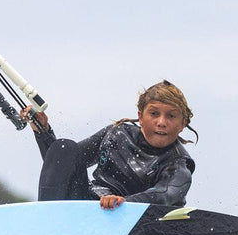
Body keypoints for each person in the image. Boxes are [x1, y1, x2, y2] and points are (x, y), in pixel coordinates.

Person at [22, 80, 196, 209]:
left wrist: (124, 202)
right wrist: (42, 130)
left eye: (171, 116)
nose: (161, 122)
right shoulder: (117, 134)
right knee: (63, 147)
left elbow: (167, 194)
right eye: (154, 113)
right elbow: (61, 167)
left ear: (183, 123)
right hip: (92, 208)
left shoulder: (178, 163)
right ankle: (48, 224)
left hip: (134, 225)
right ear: (140, 116)